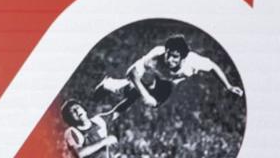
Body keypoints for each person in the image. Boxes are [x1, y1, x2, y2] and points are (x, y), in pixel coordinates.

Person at [96, 33, 244, 108]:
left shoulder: (193, 61)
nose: (169, 60)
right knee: (135, 90)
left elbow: (212, 66)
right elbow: (131, 73)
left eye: (174, 57)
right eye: (168, 54)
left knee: (154, 102)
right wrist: (146, 95)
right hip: (151, 74)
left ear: (183, 58)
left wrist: (228, 86)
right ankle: (109, 85)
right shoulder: (156, 56)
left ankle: (116, 87)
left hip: (170, 80)